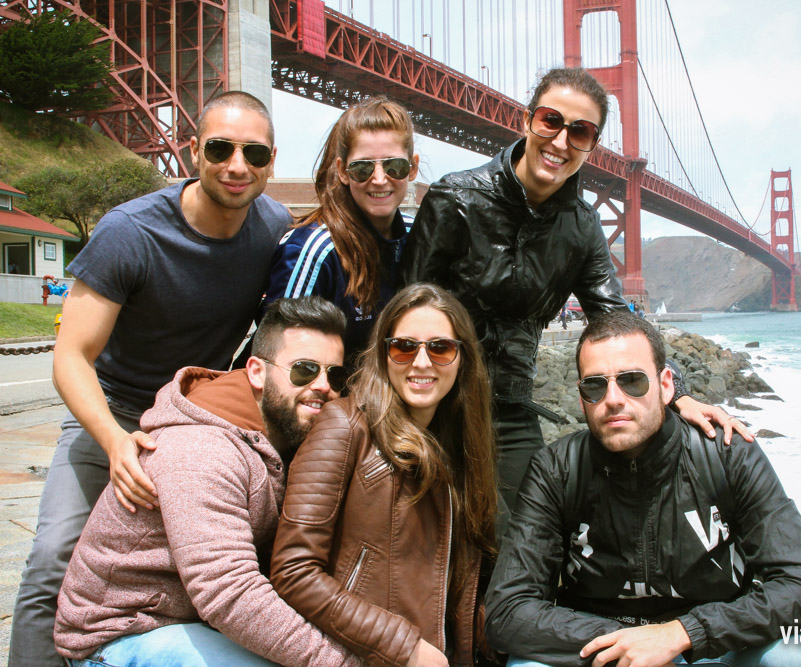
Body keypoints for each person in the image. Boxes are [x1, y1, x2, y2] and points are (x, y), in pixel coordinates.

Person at [10, 91, 292, 666]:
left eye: (254, 154)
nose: (237, 166)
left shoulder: (273, 224)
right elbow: (70, 356)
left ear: (271, 161)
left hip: (196, 420)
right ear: (194, 151)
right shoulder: (128, 232)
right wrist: (114, 442)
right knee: (53, 558)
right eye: (220, 148)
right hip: (114, 409)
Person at [402, 67, 749, 511]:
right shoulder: (456, 199)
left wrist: (675, 393)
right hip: (435, 403)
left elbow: (613, 320)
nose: (561, 142)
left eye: (580, 131)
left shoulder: (583, 228)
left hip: (509, 410)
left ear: (592, 145)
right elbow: (405, 311)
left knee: (529, 540)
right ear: (527, 120)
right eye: (551, 121)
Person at [486, 310, 801, 667]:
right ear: (581, 399)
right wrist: (630, 645)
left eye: (632, 381)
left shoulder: (727, 453)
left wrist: (681, 635)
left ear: (666, 385)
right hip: (603, 648)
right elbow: (507, 611)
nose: (614, 398)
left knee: (795, 656)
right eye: (594, 385)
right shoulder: (556, 470)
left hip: (715, 644)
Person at [54, 297, 356, 666]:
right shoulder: (200, 450)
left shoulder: (291, 435)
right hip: (121, 633)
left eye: (335, 375)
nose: (323, 386)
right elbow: (230, 592)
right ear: (256, 372)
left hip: (198, 621)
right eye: (304, 370)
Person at [269, 283, 497, 667]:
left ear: (462, 358)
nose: (421, 363)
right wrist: (401, 647)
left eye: (440, 348)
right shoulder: (343, 426)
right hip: (367, 657)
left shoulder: (464, 445)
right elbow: (293, 571)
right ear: (384, 354)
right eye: (404, 347)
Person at [257, 96, 418, 371]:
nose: (379, 179)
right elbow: (280, 363)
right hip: (326, 403)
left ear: (412, 168)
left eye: (394, 167)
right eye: (362, 168)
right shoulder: (314, 249)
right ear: (343, 171)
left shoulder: (418, 233)